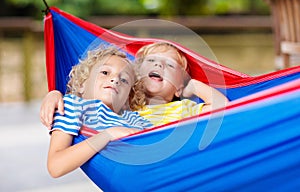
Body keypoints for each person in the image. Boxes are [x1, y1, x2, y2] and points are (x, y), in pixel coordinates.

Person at [40, 42, 229, 128]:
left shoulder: (183, 108)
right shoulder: (121, 103)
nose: (159, 65)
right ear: (135, 73)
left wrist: (194, 85)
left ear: (178, 87)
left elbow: (223, 108)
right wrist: (55, 94)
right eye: (152, 60)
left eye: (170, 65)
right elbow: (83, 99)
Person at [46, 46, 152, 178]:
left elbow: (156, 144)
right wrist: (108, 134)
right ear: (82, 85)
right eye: (105, 72)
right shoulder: (73, 106)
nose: (115, 79)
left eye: (124, 79)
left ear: (128, 98)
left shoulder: (133, 118)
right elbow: (56, 166)